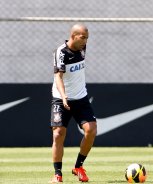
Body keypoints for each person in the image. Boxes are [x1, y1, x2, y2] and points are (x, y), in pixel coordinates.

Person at [50, 24, 97, 183]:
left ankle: (78, 167)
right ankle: (57, 174)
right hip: (60, 98)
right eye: (83, 37)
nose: (85, 41)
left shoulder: (83, 48)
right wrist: (63, 97)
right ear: (73, 36)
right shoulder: (61, 52)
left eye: (87, 38)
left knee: (91, 130)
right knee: (58, 134)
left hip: (80, 97)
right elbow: (58, 77)